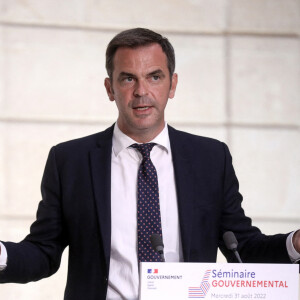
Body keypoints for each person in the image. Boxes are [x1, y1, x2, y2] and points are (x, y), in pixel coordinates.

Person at [0, 28, 299, 300]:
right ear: (109, 88)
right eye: (128, 78)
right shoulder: (70, 161)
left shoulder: (210, 158)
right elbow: (42, 252)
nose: (141, 91)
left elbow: (243, 248)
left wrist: (295, 243)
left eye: (154, 77)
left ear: (172, 84)